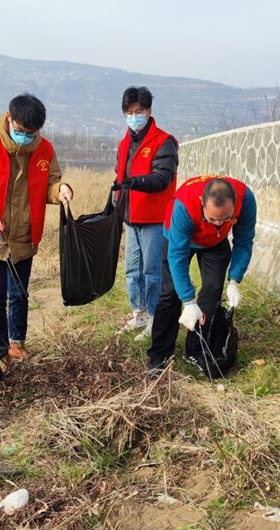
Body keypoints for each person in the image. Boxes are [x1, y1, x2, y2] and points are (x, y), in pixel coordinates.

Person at [0, 93, 73, 362]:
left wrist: (61, 190)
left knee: (19, 293)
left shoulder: (45, 150)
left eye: (32, 133)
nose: (26, 137)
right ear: (9, 118)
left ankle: (17, 343)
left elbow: (50, 185)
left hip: (24, 237)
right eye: (21, 131)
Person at [147, 175, 257, 376]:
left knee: (212, 290)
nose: (218, 223)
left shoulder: (246, 199)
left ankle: (196, 350)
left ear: (234, 204)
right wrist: (188, 301)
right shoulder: (184, 205)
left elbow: (244, 241)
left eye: (225, 218)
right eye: (212, 218)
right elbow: (177, 256)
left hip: (215, 243)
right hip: (179, 238)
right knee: (170, 293)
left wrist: (234, 280)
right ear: (201, 203)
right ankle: (160, 355)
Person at [113, 86, 179, 341]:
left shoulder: (164, 142)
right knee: (132, 270)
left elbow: (162, 178)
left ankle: (154, 317)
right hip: (131, 217)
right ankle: (138, 313)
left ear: (149, 111)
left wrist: (135, 182)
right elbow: (119, 175)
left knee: (152, 272)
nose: (134, 117)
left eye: (138, 111)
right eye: (129, 113)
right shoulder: (125, 144)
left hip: (154, 218)